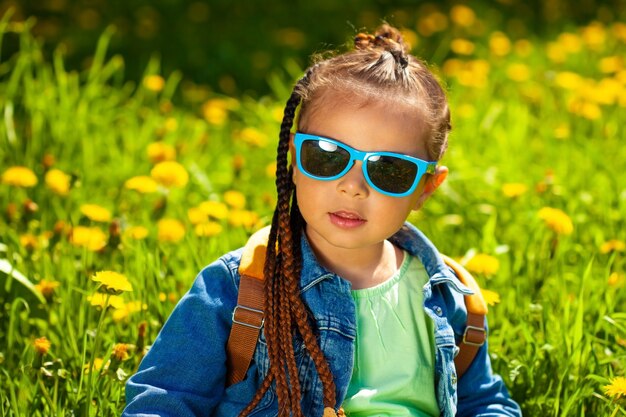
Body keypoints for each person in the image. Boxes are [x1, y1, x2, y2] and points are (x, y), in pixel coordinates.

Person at [123, 25, 522, 417]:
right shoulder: (239, 288)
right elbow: (164, 399)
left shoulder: (450, 297)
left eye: (390, 171)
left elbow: (485, 403)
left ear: (427, 187)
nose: (352, 186)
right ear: (295, 160)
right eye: (327, 155)